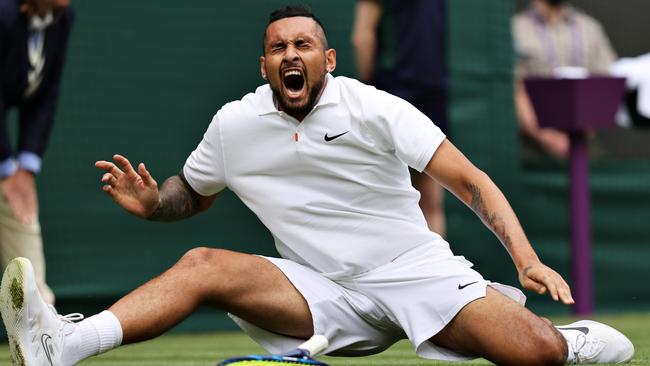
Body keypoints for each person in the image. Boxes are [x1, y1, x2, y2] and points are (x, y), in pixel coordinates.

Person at [1, 4, 635, 365]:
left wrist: (524, 258)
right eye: (277, 48)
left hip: (413, 271)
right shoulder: (235, 123)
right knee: (201, 264)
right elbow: (189, 195)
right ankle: (65, 344)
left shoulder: (375, 109)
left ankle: (565, 342)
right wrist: (152, 204)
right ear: (266, 65)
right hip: (317, 289)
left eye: (303, 44)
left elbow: (470, 181)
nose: (290, 55)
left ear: (327, 61)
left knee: (539, 357)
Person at [351, 0, 448, 236]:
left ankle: (435, 270)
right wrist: (369, 92)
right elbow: (362, 37)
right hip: (395, 93)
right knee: (386, 198)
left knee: (431, 200)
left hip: (431, 93)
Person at [0, 0, 74, 305]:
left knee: (21, 211)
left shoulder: (63, 16)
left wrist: (25, 167)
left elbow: (45, 95)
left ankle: (38, 321)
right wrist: (6, 167)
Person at [512, 0, 617, 158]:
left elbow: (606, 84)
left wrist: (585, 130)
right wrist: (545, 135)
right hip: (530, 148)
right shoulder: (516, 28)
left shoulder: (588, 27)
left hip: (584, 143)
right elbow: (514, 89)